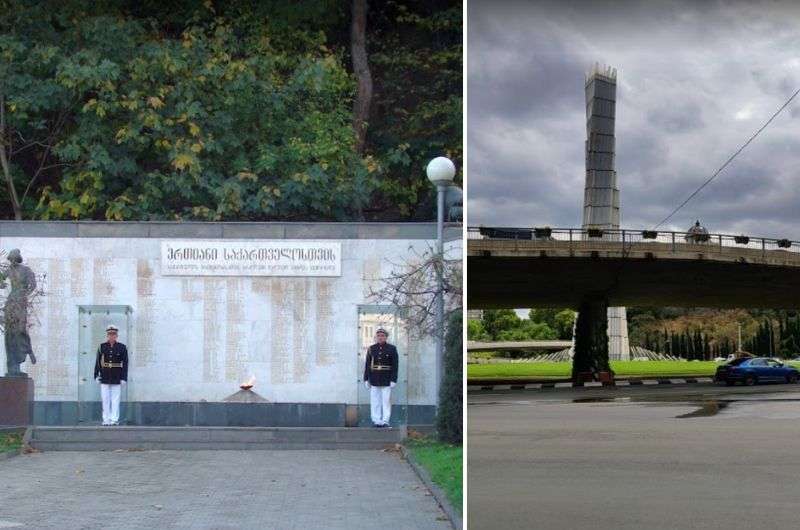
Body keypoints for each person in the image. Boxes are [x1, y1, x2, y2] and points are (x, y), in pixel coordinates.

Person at [1, 249, 37, 377]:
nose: (12, 261)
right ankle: (13, 367)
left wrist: (24, 295)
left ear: (18, 258)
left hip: (20, 304)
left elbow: (33, 285)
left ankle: (28, 349)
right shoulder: (8, 270)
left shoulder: (26, 270)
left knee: (20, 330)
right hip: (11, 303)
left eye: (14, 258)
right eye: (10, 259)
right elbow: (1, 280)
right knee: (10, 334)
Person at [363, 328, 398, 428]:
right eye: (378, 336)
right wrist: (366, 378)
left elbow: (395, 365)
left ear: (386, 337)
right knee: (375, 401)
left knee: (386, 401)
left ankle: (385, 420)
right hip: (374, 378)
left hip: (386, 378)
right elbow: (368, 365)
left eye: (382, 336)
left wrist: (393, 379)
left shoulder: (392, 348)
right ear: (376, 337)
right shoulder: (371, 348)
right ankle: (376, 420)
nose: (380, 337)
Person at [94, 325, 128, 426]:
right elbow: (97, 362)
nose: (111, 336)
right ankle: (106, 419)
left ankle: (114, 419)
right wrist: (96, 375)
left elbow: (125, 363)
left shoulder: (122, 347)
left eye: (113, 334)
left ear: (116, 335)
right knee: (105, 399)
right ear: (107, 335)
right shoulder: (102, 347)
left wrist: (123, 378)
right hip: (104, 376)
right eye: (109, 334)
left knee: (115, 399)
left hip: (116, 376)